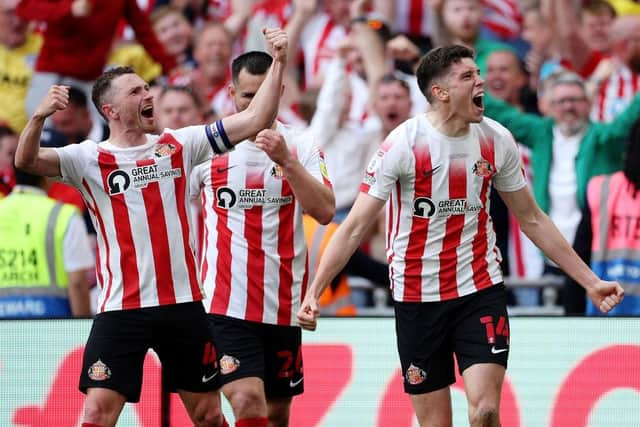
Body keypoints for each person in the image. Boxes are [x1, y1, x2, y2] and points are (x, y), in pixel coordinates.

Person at [297, 45, 624, 427]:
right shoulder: (403, 144)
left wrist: (590, 281)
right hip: (417, 295)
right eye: (468, 76)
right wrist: (313, 292)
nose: (480, 81)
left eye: (477, 73)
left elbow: (532, 219)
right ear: (440, 92)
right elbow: (352, 226)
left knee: (485, 412)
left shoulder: (496, 140)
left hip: (478, 288)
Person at [14, 28, 289, 427]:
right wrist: (38, 116)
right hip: (120, 308)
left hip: (181, 305)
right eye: (135, 92)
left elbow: (256, 117)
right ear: (110, 111)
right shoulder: (87, 158)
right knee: (96, 412)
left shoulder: (179, 144)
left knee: (209, 415)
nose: (148, 96)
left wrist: (278, 59)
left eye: (147, 88)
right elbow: (27, 160)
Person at [191, 50, 335, 427]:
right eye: (246, 97)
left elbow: (324, 211)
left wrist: (287, 162)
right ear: (231, 93)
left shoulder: (300, 144)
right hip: (223, 304)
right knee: (246, 400)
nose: (256, 105)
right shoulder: (207, 149)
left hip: (281, 306)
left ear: (280, 91)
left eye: (264, 94)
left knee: (274, 415)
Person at [0, 166, 92, 318]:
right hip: (54, 328)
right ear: (46, 177)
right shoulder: (65, 216)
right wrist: (82, 330)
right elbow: (77, 284)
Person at [571, 118, 640, 315]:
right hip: (604, 317)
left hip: (605, 316)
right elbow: (580, 256)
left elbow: (579, 257)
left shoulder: (603, 189)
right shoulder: (601, 190)